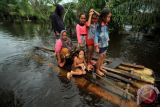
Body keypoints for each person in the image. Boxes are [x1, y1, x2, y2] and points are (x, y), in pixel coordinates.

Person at [94, 8, 112, 76]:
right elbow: (96, 35)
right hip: (100, 44)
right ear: (104, 17)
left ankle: (100, 67)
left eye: (110, 17)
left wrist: (108, 38)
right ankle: (97, 70)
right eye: (108, 17)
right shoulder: (99, 25)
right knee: (101, 56)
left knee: (104, 55)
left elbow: (106, 32)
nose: (109, 18)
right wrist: (96, 46)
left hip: (105, 43)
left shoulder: (106, 23)